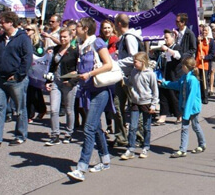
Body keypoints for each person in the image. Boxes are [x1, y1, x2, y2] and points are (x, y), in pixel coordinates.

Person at [67, 17, 115, 182]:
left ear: (86, 28)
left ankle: (81, 167)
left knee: (88, 128)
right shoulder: (82, 46)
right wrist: (74, 76)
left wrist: (90, 74)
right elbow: (84, 67)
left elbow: (108, 64)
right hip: (87, 91)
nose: (75, 29)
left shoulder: (97, 43)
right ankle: (105, 159)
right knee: (95, 128)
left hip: (99, 91)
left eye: (78, 27)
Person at [0, 11, 33, 147]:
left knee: (20, 109)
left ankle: (20, 135)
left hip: (16, 80)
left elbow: (27, 59)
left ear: (11, 23)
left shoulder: (23, 38)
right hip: (0, 79)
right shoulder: (2, 38)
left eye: (3, 22)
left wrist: (18, 75)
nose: (0, 25)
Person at [161, 57, 206, 158]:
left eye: (182, 66)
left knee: (195, 126)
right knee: (185, 128)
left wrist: (186, 112)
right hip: (185, 107)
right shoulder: (184, 77)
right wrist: (164, 84)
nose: (181, 67)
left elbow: (191, 97)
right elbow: (178, 85)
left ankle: (202, 144)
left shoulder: (193, 80)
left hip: (192, 108)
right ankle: (183, 149)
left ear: (186, 67)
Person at [120, 52, 158, 160]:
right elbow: (130, 82)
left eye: (135, 62)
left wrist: (154, 105)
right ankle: (130, 149)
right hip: (135, 102)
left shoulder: (150, 74)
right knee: (132, 126)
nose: (134, 64)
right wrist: (122, 77)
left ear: (142, 62)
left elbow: (155, 91)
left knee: (146, 126)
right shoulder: (134, 71)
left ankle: (146, 147)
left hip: (146, 102)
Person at [114, 13, 144, 147]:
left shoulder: (130, 37)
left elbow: (134, 58)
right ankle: (121, 136)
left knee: (134, 107)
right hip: (122, 77)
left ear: (119, 24)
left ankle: (138, 136)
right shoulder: (124, 38)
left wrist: (117, 63)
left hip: (130, 78)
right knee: (117, 106)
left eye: (115, 22)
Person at [45, 28, 79, 146]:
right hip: (56, 82)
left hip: (68, 84)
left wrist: (72, 81)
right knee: (54, 109)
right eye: (61, 37)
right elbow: (52, 66)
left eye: (65, 37)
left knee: (69, 110)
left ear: (70, 37)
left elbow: (78, 69)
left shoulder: (75, 50)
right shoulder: (56, 49)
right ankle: (55, 134)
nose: (63, 39)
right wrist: (48, 80)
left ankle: (69, 133)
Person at [155, 29, 182, 125]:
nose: (165, 40)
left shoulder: (177, 47)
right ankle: (163, 116)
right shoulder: (165, 48)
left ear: (173, 37)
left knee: (174, 96)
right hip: (164, 74)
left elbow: (178, 56)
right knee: (163, 95)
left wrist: (167, 50)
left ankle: (179, 115)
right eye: (164, 38)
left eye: (167, 38)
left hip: (174, 75)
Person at [25, 24, 47, 123]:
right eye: (26, 29)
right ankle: (30, 113)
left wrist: (32, 54)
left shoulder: (38, 42)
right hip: (28, 69)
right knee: (29, 92)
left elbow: (40, 54)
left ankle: (41, 109)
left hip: (36, 70)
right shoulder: (25, 40)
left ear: (34, 31)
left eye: (29, 29)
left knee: (35, 92)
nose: (27, 31)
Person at [196, 25, 215, 103]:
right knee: (198, 81)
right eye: (203, 30)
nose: (204, 32)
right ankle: (199, 97)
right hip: (197, 63)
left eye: (206, 30)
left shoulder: (211, 41)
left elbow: (212, 54)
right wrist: (197, 41)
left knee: (204, 81)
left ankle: (205, 97)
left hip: (205, 63)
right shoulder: (198, 39)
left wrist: (205, 57)